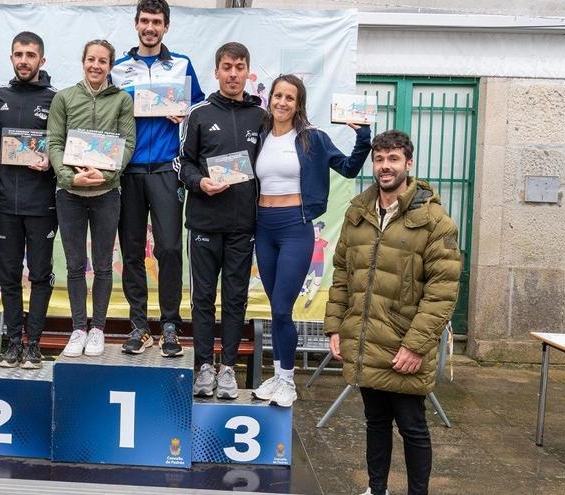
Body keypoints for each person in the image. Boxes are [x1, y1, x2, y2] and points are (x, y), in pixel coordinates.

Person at [324, 130, 461, 495]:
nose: (385, 167)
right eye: (380, 159)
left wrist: (416, 346)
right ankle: (376, 489)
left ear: (408, 163)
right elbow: (342, 275)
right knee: (375, 422)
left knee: (413, 427)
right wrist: (335, 327)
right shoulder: (358, 213)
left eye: (394, 159)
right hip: (367, 340)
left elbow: (442, 291)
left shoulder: (435, 221)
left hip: (404, 343)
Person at [251, 74, 371, 407]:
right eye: (277, 96)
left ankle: (287, 380)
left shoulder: (312, 139)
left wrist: (363, 138)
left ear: (298, 103)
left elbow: (348, 168)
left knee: (281, 307)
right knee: (275, 313)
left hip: (296, 227)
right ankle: (276, 376)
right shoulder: (259, 137)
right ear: (270, 99)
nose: (282, 102)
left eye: (290, 97)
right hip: (263, 226)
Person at [110, 0, 204, 357]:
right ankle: (138, 325)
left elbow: (196, 106)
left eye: (157, 22)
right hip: (129, 169)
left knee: (168, 248)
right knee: (132, 251)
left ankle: (169, 325)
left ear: (167, 26)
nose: (150, 27)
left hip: (166, 168)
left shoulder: (181, 64)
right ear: (136, 25)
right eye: (145, 21)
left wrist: (185, 113)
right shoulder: (118, 69)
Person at [178, 42, 265, 399]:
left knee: (235, 299)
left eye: (239, 67)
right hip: (203, 224)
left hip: (243, 226)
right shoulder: (198, 113)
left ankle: (228, 368)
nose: (232, 73)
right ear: (216, 71)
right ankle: (203, 367)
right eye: (226, 67)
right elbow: (180, 163)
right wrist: (200, 182)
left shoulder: (261, 118)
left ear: (248, 72)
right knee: (202, 300)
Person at [46, 39, 135, 358]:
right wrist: (70, 177)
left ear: (111, 66)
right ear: (82, 62)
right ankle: (78, 329)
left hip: (106, 194)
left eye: (103, 61)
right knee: (73, 265)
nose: (96, 66)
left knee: (103, 266)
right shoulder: (64, 98)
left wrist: (107, 176)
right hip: (69, 194)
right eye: (91, 60)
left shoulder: (122, 100)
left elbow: (127, 144)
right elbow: (54, 143)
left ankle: (98, 328)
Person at [0, 32, 58, 370]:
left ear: (41, 61)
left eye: (30, 55)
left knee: (40, 274)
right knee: (8, 277)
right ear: (11, 57)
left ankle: (34, 343)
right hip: (3, 204)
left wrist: (52, 161)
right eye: (18, 54)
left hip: (42, 205)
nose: (24, 60)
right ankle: (13, 342)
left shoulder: (55, 98)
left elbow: (64, 145)